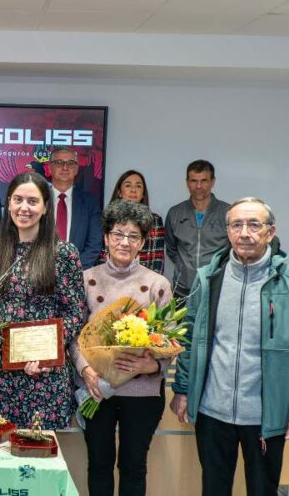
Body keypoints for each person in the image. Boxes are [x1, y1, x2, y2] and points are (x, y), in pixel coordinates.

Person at [170, 197, 289, 496]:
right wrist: (182, 389)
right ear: (228, 231)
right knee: (213, 489)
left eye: (254, 225)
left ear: (270, 232)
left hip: (266, 416)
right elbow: (188, 338)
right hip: (212, 410)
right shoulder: (208, 277)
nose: (244, 233)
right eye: (236, 225)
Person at [70, 200, 173, 496]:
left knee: (134, 466)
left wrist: (151, 366)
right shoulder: (87, 280)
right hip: (97, 390)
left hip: (142, 392)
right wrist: (86, 371)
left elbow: (168, 341)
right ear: (105, 237)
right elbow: (75, 336)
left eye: (132, 236)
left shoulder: (157, 284)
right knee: (99, 464)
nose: (124, 242)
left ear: (142, 242)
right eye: (117, 234)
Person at [0, 171, 87, 430]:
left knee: (37, 462)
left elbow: (74, 313)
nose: (24, 208)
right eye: (18, 200)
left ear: (46, 207)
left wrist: (44, 356)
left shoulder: (64, 254)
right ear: (9, 203)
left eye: (33, 201)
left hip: (42, 376)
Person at [164, 160, 230, 298]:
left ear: (213, 182)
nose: (199, 186)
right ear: (187, 182)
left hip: (217, 289)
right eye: (194, 181)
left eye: (204, 180)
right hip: (183, 290)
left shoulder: (228, 213)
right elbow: (171, 248)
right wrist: (185, 268)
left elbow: (233, 249)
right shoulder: (175, 213)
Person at [48, 146, 102, 268]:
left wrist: (73, 270)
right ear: (49, 167)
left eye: (71, 163)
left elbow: (94, 245)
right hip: (41, 273)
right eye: (59, 163)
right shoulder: (38, 200)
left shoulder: (90, 203)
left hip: (77, 275)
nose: (65, 167)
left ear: (76, 169)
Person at [104, 170, 166, 273]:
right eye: (128, 186)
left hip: (144, 282)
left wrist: (150, 284)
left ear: (143, 194)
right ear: (119, 192)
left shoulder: (154, 221)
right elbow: (102, 255)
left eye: (138, 186)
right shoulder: (109, 218)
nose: (133, 190)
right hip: (111, 279)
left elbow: (157, 260)